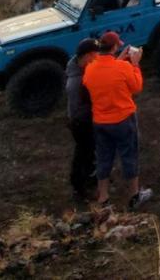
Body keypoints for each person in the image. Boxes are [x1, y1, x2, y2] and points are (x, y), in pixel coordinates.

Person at [83, 31, 151, 210]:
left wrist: (119, 61)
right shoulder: (123, 68)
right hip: (123, 120)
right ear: (114, 47)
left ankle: (103, 199)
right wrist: (135, 64)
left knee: (104, 158)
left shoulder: (90, 68)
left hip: (100, 122)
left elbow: (104, 77)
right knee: (129, 156)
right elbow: (136, 87)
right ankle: (135, 196)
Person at [66, 38, 100, 199]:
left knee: (89, 152)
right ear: (86, 56)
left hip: (83, 120)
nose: (97, 58)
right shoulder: (76, 82)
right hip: (81, 123)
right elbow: (78, 109)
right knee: (83, 154)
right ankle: (79, 188)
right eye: (95, 55)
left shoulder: (79, 69)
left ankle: (91, 178)